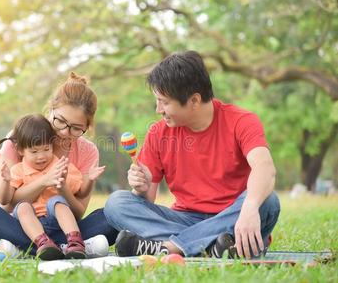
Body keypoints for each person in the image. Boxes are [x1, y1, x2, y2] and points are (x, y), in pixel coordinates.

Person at [104, 51, 280, 259]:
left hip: (234, 215)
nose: (158, 109)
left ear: (194, 100)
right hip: (184, 219)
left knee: (268, 202)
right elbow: (146, 200)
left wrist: (250, 208)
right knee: (117, 204)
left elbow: (265, 168)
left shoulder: (242, 121)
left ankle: (169, 247)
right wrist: (140, 189)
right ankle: (213, 246)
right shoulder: (158, 132)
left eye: (164, 102)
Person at [0, 72, 118, 257]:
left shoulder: (88, 151)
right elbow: (7, 206)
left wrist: (63, 191)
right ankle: (62, 247)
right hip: (18, 225)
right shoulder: (21, 136)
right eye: (59, 120)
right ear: (50, 110)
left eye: (76, 128)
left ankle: (25, 249)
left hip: (64, 227)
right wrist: (45, 181)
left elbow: (77, 214)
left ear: (88, 126)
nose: (63, 132)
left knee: (114, 214)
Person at [0, 114, 104, 260]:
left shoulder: (61, 166)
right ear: (20, 151)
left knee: (57, 201)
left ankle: (75, 242)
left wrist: (89, 179)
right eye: (34, 152)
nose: (41, 156)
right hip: (28, 226)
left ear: (53, 145)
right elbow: (4, 200)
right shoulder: (18, 170)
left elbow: (81, 191)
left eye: (46, 149)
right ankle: (44, 244)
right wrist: (6, 181)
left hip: (57, 223)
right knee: (22, 207)